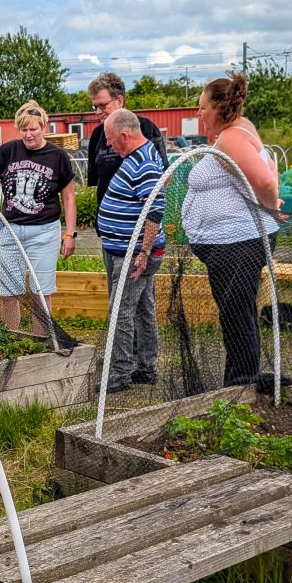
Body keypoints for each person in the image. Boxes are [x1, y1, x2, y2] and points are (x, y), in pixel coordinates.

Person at [181, 72, 281, 386]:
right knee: (237, 311)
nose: (199, 115)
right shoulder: (240, 128)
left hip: (239, 242)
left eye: (202, 108)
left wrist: (272, 206)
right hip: (231, 243)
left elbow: (265, 180)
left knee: (236, 314)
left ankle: (242, 386)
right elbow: (268, 171)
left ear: (220, 108)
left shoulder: (231, 138)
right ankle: (239, 381)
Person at [0, 102, 77, 335]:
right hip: (11, 231)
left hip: (44, 232)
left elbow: (69, 198)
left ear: (44, 126)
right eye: (23, 129)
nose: (28, 134)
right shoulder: (9, 151)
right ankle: (11, 340)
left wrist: (70, 234)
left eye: (33, 129)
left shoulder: (57, 156)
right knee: (9, 292)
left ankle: (40, 342)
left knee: (40, 293)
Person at [97, 108, 166, 393]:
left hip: (132, 253)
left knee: (121, 311)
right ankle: (146, 366)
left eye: (111, 140)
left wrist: (143, 252)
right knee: (143, 309)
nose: (109, 145)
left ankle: (122, 372)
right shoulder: (136, 157)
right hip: (123, 249)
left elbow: (155, 211)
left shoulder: (145, 164)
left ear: (125, 135)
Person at [87, 72, 168, 290]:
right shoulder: (97, 136)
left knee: (131, 296)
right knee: (116, 289)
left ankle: (124, 327)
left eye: (102, 105)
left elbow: (162, 180)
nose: (98, 112)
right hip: (112, 236)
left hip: (136, 237)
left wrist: (147, 244)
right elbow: (98, 182)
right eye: (95, 107)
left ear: (120, 100)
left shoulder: (144, 129)